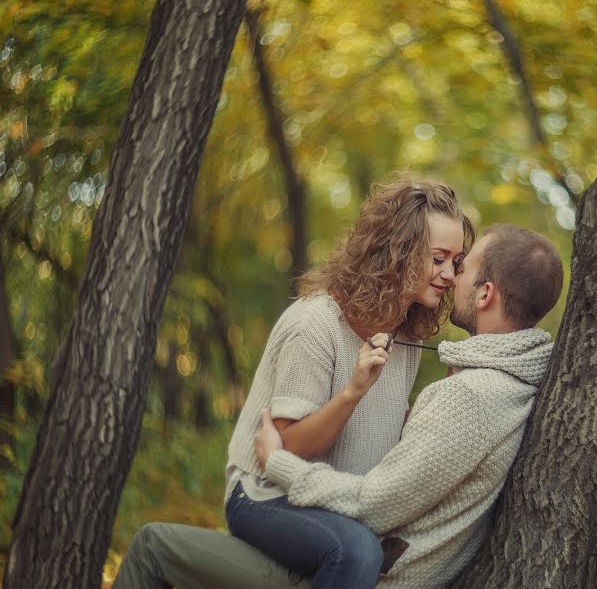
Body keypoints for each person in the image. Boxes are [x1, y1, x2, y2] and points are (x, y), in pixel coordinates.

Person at [114, 224, 563, 589]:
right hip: (335, 541)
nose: (451, 276)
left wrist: (279, 462)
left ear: (485, 294)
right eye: (442, 260)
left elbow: (376, 503)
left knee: (155, 548)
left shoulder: (467, 395)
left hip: (368, 566)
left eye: (462, 266)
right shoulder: (518, 381)